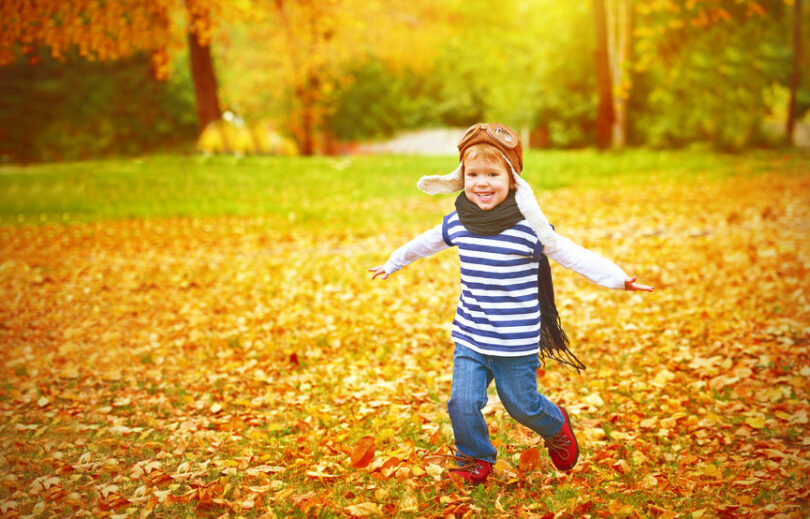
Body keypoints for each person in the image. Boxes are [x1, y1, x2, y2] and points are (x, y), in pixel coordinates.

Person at [368, 123, 653, 485]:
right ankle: (475, 458)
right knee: (461, 402)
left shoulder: (529, 229)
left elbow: (569, 253)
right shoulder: (459, 222)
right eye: (472, 174)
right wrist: (393, 262)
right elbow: (424, 242)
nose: (481, 183)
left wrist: (617, 278)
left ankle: (555, 424)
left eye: (492, 174)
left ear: (512, 178)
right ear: (461, 177)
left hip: (515, 341)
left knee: (522, 406)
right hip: (471, 333)